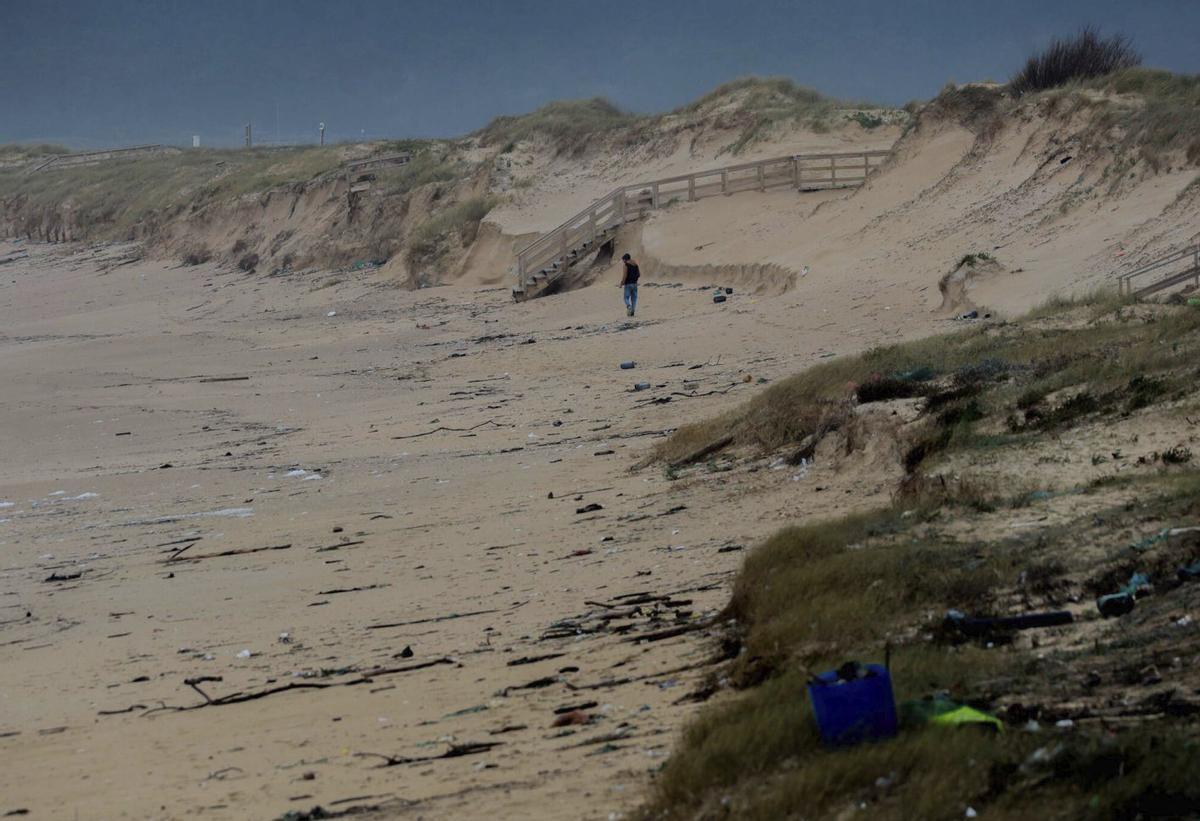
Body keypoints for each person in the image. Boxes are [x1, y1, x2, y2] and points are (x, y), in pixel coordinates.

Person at [619, 253, 640, 317]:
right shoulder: (635, 265)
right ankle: (632, 312)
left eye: (623, 260)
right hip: (635, 284)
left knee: (626, 298)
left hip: (628, 284)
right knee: (634, 299)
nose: (623, 261)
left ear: (625, 259)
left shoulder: (626, 265)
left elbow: (625, 275)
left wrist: (621, 283)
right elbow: (639, 274)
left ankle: (629, 306)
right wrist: (635, 280)